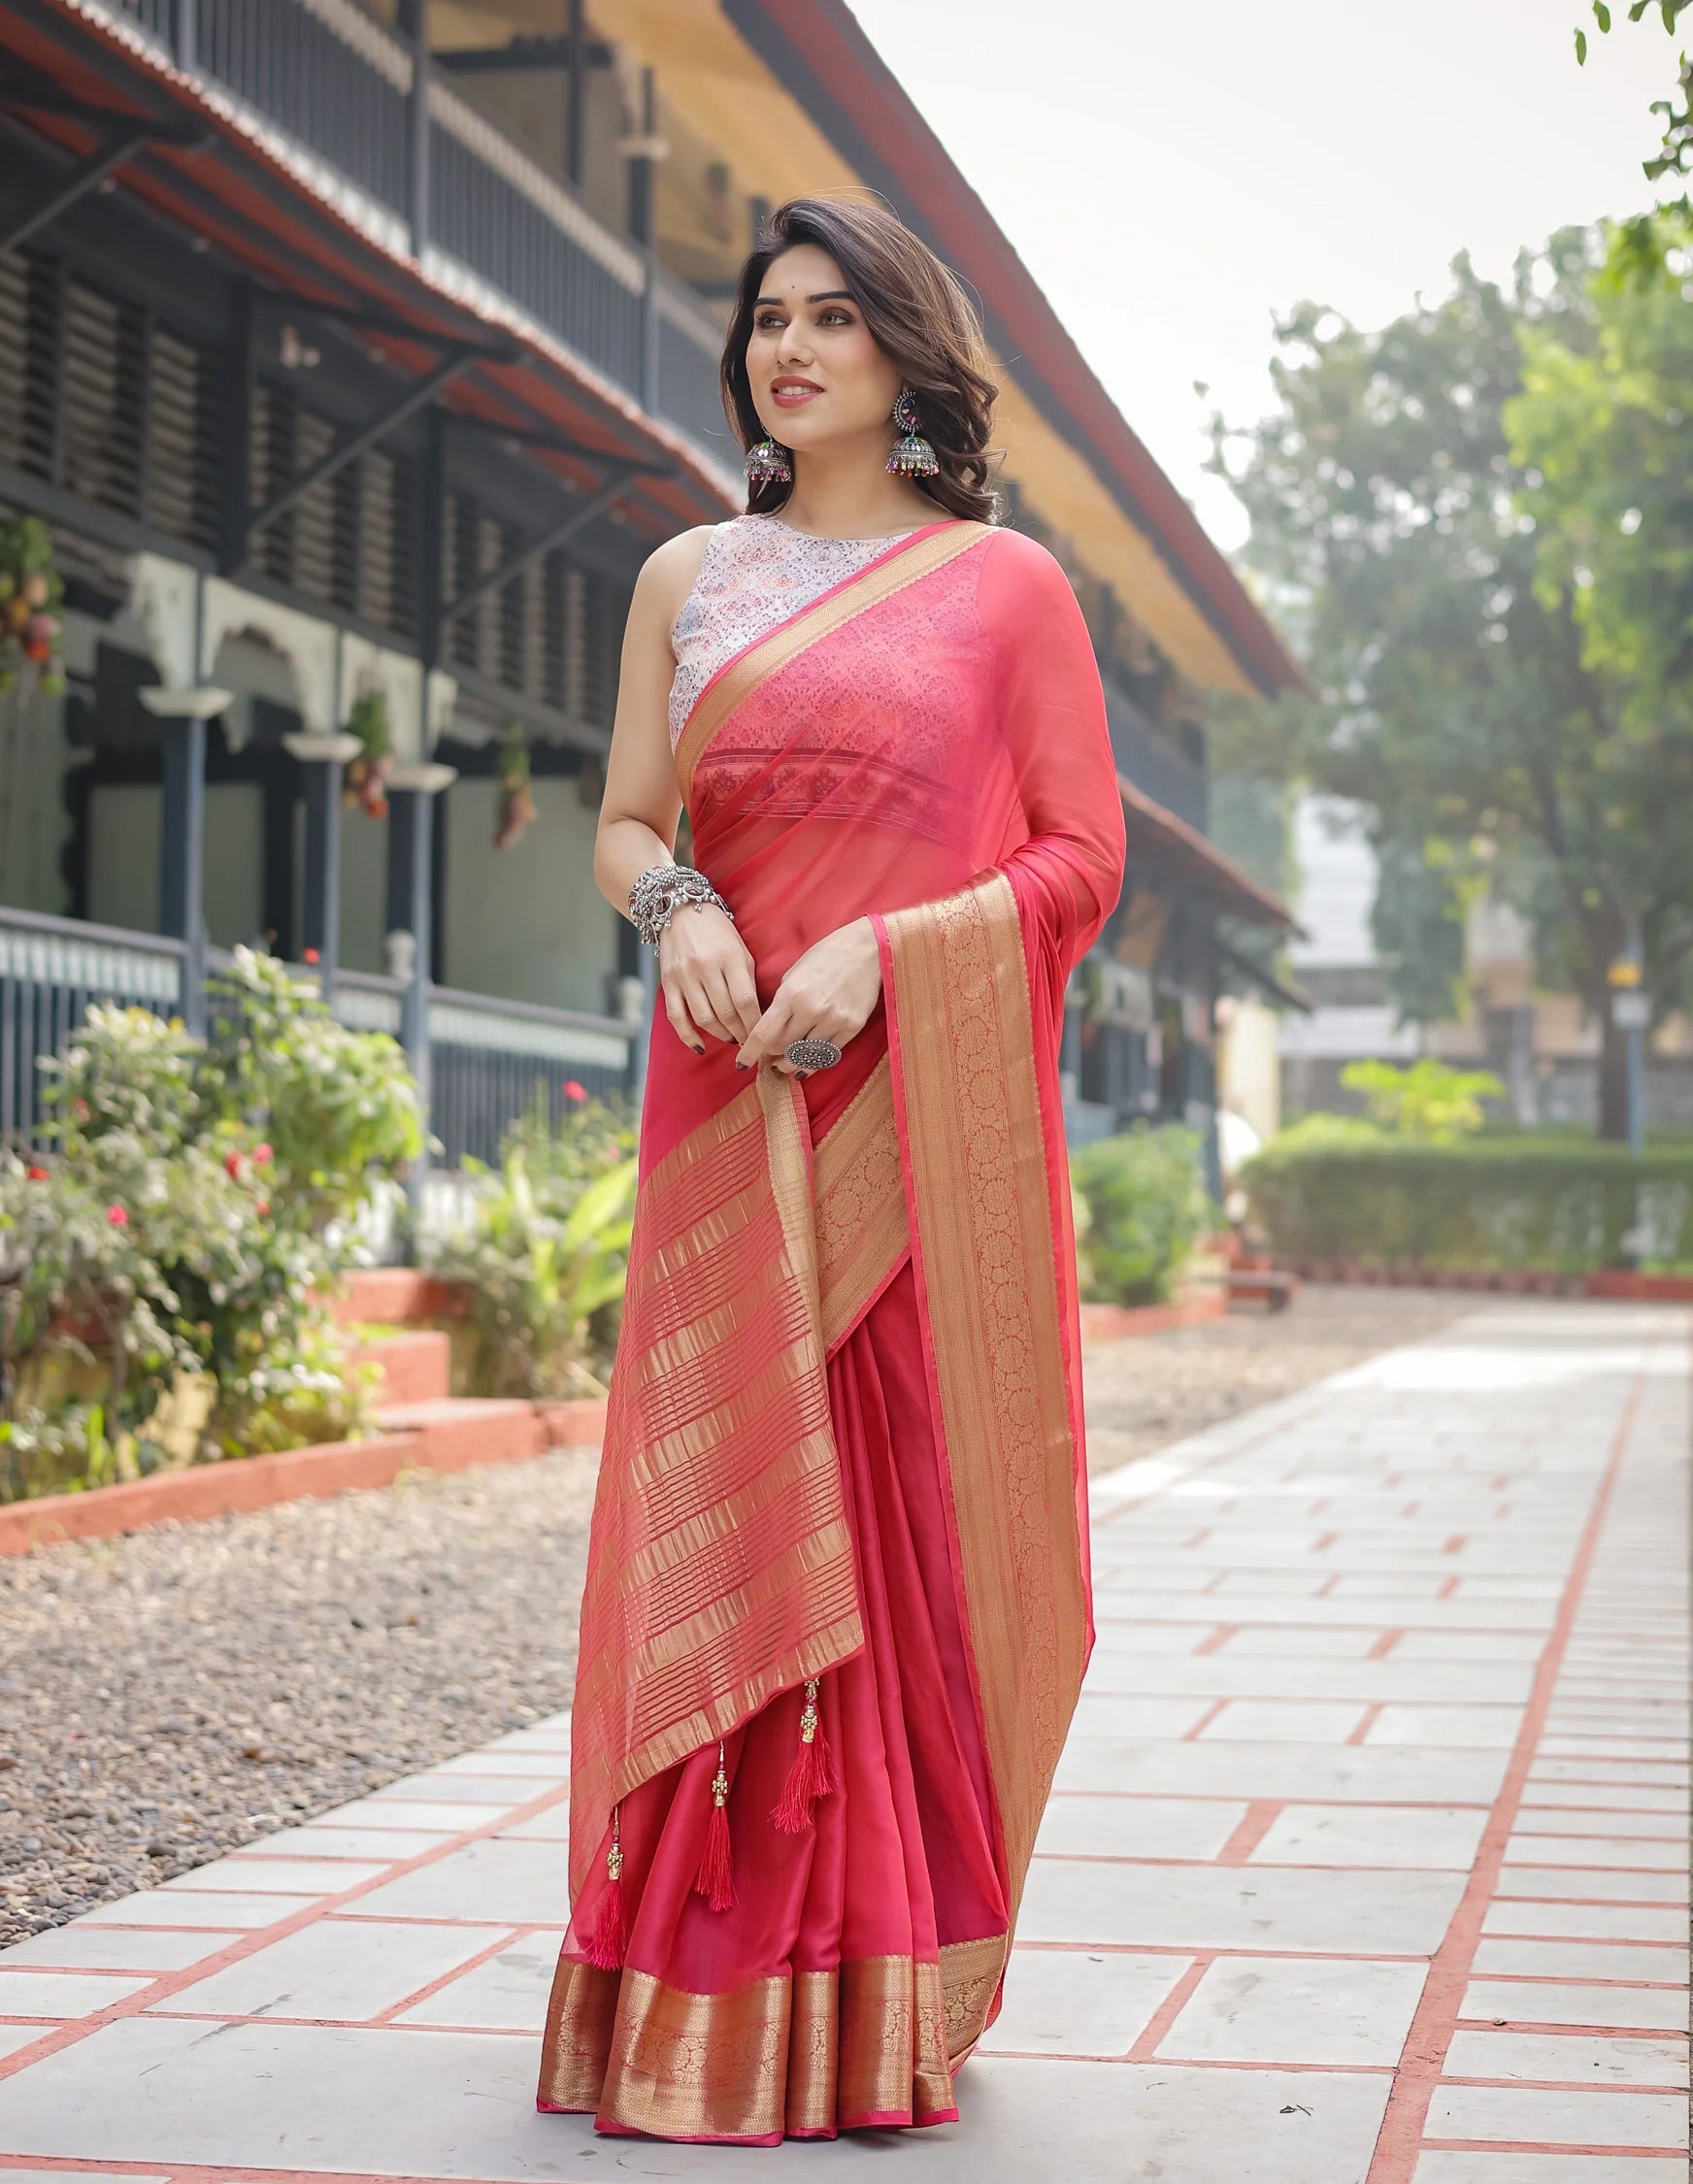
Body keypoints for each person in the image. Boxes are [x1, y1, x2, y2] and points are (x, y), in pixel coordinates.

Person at [537, 195, 1126, 2146]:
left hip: (898, 1122)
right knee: (714, 1526)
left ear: (904, 349)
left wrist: (901, 950)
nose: (791, 350)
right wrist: (683, 906)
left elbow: (1078, 858)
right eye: (769, 320)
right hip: (727, 1121)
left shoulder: (1004, 589)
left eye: (833, 319)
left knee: (884, 1557)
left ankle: (868, 1998)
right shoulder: (686, 575)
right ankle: (692, 1995)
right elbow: (624, 821)